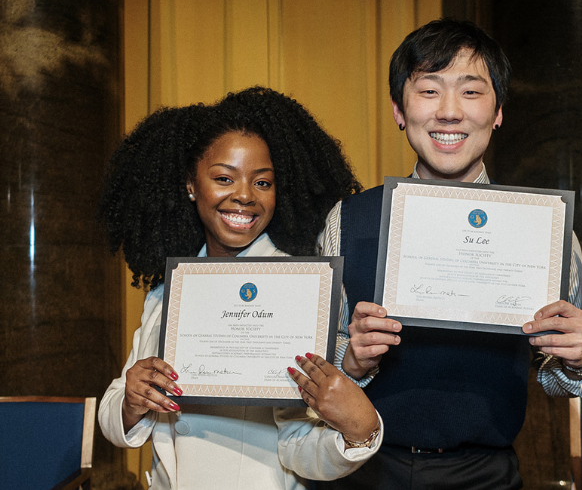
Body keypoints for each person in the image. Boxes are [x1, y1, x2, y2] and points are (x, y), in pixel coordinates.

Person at [315, 19, 582, 490]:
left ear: (497, 111)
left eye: (471, 92)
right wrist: (352, 363)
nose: (449, 112)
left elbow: (554, 379)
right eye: (429, 90)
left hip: (485, 474)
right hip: (363, 468)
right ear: (399, 110)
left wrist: (577, 360)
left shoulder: (543, 228)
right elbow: (318, 368)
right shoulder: (348, 221)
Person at [97, 87, 383, 489]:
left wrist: (359, 434)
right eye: (224, 178)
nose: (245, 196)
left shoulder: (300, 289)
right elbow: (116, 413)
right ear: (191, 184)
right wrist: (130, 400)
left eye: (262, 182)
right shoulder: (167, 290)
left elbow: (300, 442)